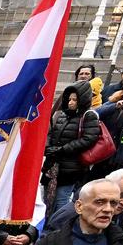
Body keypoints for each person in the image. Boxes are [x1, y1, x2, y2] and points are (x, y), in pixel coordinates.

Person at [45, 83, 104, 223]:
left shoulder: (89, 116)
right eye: (69, 99)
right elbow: (50, 133)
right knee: (47, 199)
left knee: (61, 200)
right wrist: (47, 147)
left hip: (71, 167)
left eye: (75, 100)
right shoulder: (61, 115)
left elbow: (89, 139)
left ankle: (58, 228)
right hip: (53, 165)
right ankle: (46, 227)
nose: (71, 103)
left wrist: (63, 149)